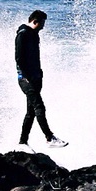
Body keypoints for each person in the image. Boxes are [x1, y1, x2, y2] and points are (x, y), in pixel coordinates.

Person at [15, 10, 66, 148]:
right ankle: (49, 138)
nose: (43, 26)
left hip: (36, 78)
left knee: (30, 112)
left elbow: (35, 58)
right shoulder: (23, 34)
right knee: (39, 107)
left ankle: (22, 143)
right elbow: (19, 58)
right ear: (35, 21)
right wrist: (27, 76)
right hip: (25, 79)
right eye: (42, 23)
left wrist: (39, 73)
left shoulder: (35, 35)